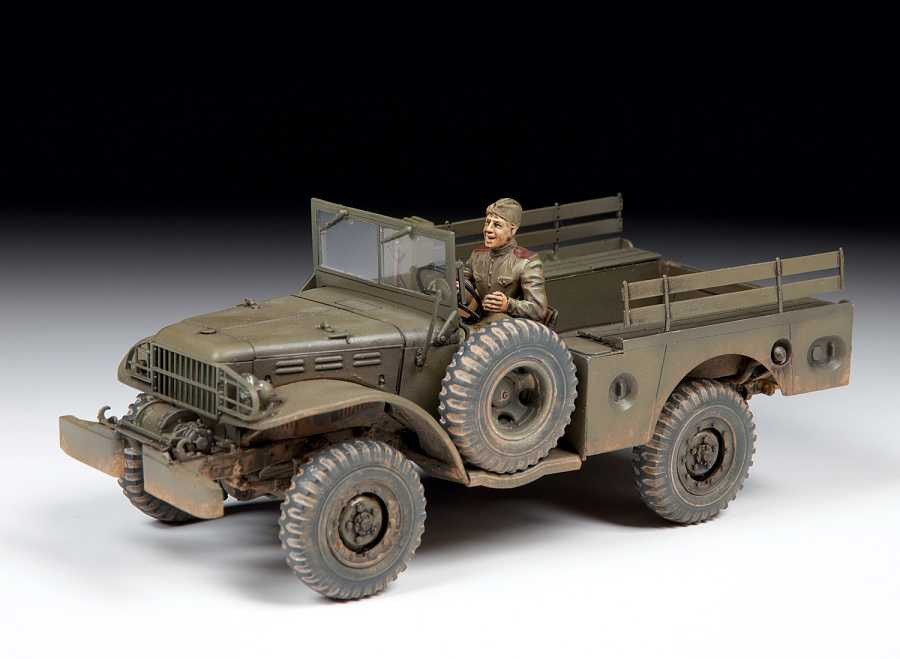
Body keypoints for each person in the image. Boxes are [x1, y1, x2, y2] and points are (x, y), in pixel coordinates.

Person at [462, 197, 549, 326]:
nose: (488, 229)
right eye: (487, 222)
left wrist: (508, 304)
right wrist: (458, 288)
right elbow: (464, 282)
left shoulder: (527, 262)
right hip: (478, 319)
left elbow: (539, 310)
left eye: (497, 225)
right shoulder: (477, 255)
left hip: (507, 327)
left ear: (513, 230)